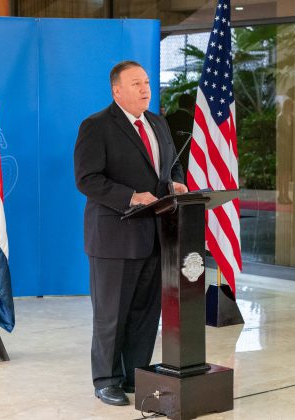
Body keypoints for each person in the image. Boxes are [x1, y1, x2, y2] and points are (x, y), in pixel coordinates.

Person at [74, 61, 188, 406]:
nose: (145, 89)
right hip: (115, 238)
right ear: (116, 90)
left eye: (147, 82)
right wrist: (131, 196)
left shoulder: (157, 122)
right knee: (112, 314)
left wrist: (175, 183)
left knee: (144, 314)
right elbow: (87, 179)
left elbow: (171, 165)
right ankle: (105, 379)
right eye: (136, 83)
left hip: (155, 234)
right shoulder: (96, 126)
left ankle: (133, 374)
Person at [165, 93, 195, 172]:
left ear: (179, 103)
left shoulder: (167, 119)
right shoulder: (193, 122)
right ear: (192, 105)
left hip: (169, 160)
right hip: (188, 161)